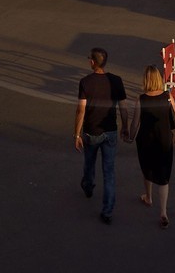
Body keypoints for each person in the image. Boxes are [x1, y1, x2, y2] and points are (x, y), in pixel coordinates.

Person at [121, 65, 175, 228]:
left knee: (147, 167)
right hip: (164, 139)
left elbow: (135, 123)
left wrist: (129, 137)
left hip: (146, 140)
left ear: (146, 80)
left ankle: (148, 197)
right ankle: (163, 212)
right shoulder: (168, 96)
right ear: (159, 79)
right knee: (163, 177)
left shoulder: (141, 99)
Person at [73, 47, 126, 224]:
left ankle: (88, 186)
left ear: (92, 62)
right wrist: (124, 127)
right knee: (109, 172)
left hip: (91, 131)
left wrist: (76, 134)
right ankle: (108, 211)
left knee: (89, 163)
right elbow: (123, 108)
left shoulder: (85, 82)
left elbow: (81, 110)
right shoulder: (116, 81)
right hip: (110, 131)